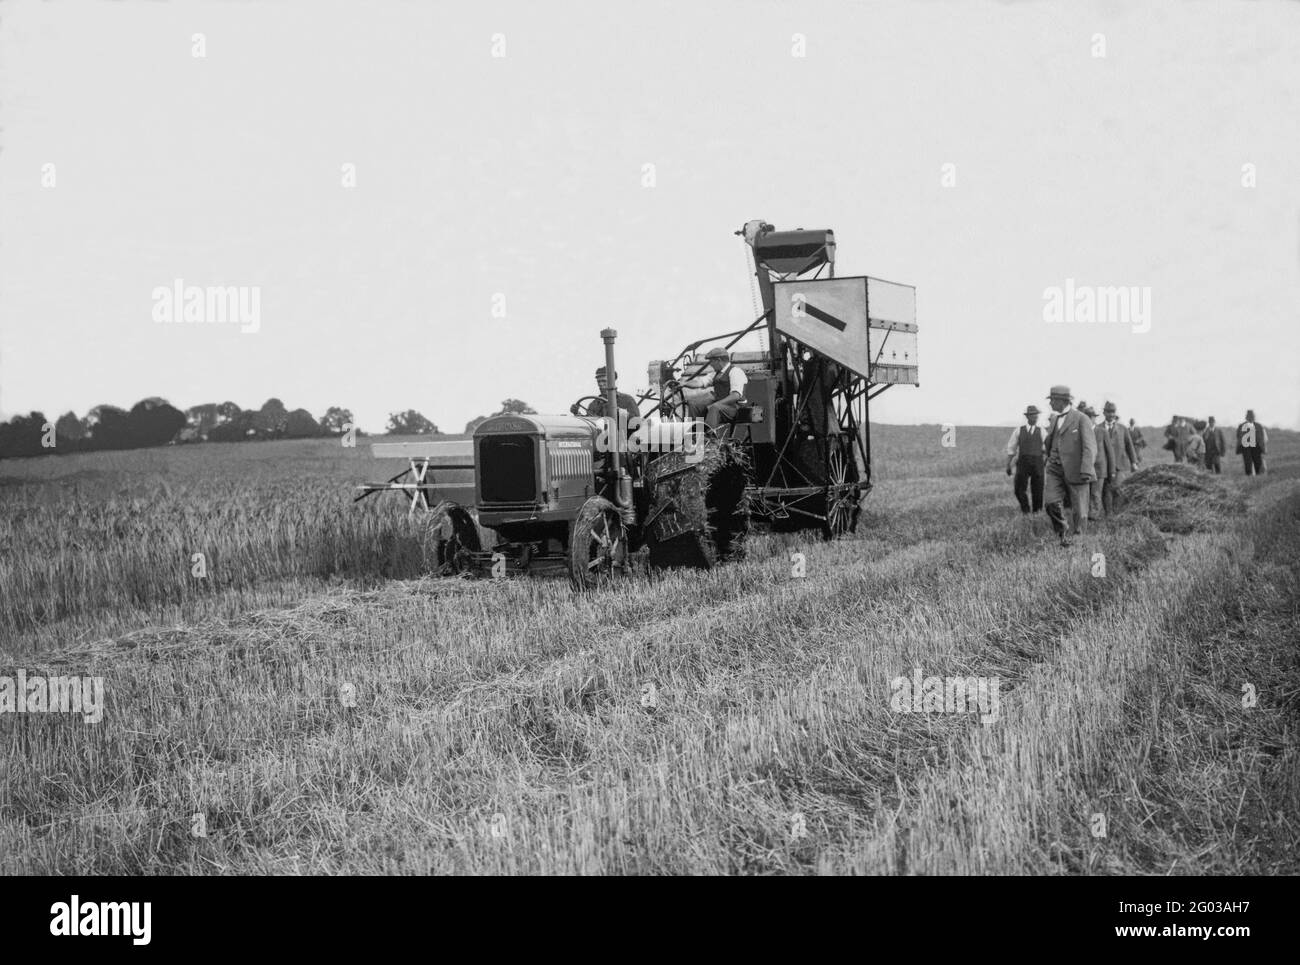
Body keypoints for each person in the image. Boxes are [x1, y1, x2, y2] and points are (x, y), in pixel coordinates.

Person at [1043, 385, 1097, 547]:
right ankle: (1063, 531)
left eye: (1052, 400)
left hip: (1076, 470)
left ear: (1061, 401)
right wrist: (1049, 459)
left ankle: (1079, 539)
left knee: (1080, 511)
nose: (1050, 403)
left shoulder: (1081, 419)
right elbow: (1050, 442)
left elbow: (1090, 446)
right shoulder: (1054, 419)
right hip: (1054, 469)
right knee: (1051, 502)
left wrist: (1086, 468)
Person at [685, 347, 748, 430]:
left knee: (714, 407)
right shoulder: (715, 374)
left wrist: (716, 404)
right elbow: (700, 382)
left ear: (719, 360)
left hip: (734, 409)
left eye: (711, 361)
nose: (710, 364)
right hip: (721, 406)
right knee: (694, 404)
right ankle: (697, 433)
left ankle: (710, 438)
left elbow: (735, 396)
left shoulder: (735, 372)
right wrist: (684, 384)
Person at [1005, 405, 1046, 514]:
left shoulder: (1042, 431)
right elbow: (1011, 448)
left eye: (1036, 415)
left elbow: (1047, 448)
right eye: (1032, 415)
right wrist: (1008, 464)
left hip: (1038, 461)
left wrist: (1044, 460)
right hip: (1023, 462)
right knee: (1018, 489)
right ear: (1027, 417)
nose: (1035, 417)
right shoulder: (1019, 430)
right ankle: (1026, 510)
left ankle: (1037, 512)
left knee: (1038, 489)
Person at [1102, 402, 1139, 515]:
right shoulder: (1098, 428)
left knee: (1118, 488)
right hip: (1104, 465)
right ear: (1104, 413)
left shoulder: (1122, 428)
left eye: (1113, 412)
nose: (1111, 414)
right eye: (1108, 412)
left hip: (1119, 464)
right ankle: (1108, 514)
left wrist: (1133, 462)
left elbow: (1129, 446)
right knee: (1106, 490)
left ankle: (1117, 512)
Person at [574, 366, 639, 425]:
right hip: (599, 436)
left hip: (621, 436)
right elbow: (590, 423)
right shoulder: (594, 404)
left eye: (604, 381)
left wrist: (619, 412)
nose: (601, 384)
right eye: (598, 381)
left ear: (613, 381)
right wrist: (577, 413)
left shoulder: (627, 400)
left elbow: (637, 423)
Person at [1080, 403, 1113, 519]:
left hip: (1100, 469)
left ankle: (1094, 517)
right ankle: (1087, 516)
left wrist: (1111, 471)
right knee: (1085, 494)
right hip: (1085, 469)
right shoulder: (1080, 433)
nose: (1089, 418)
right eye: (1087, 416)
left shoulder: (1102, 431)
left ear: (1095, 418)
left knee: (1096, 493)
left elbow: (1110, 453)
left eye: (1091, 416)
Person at [1236, 409, 1267, 476]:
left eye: (1251, 417)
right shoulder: (1241, 426)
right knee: (1248, 463)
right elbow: (1238, 436)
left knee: (1258, 463)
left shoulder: (1259, 426)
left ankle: (1258, 477)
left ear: (1253, 417)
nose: (1250, 418)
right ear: (1247, 417)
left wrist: (1263, 449)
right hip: (1246, 447)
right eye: (1249, 417)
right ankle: (1249, 477)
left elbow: (1262, 438)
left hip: (1256, 447)